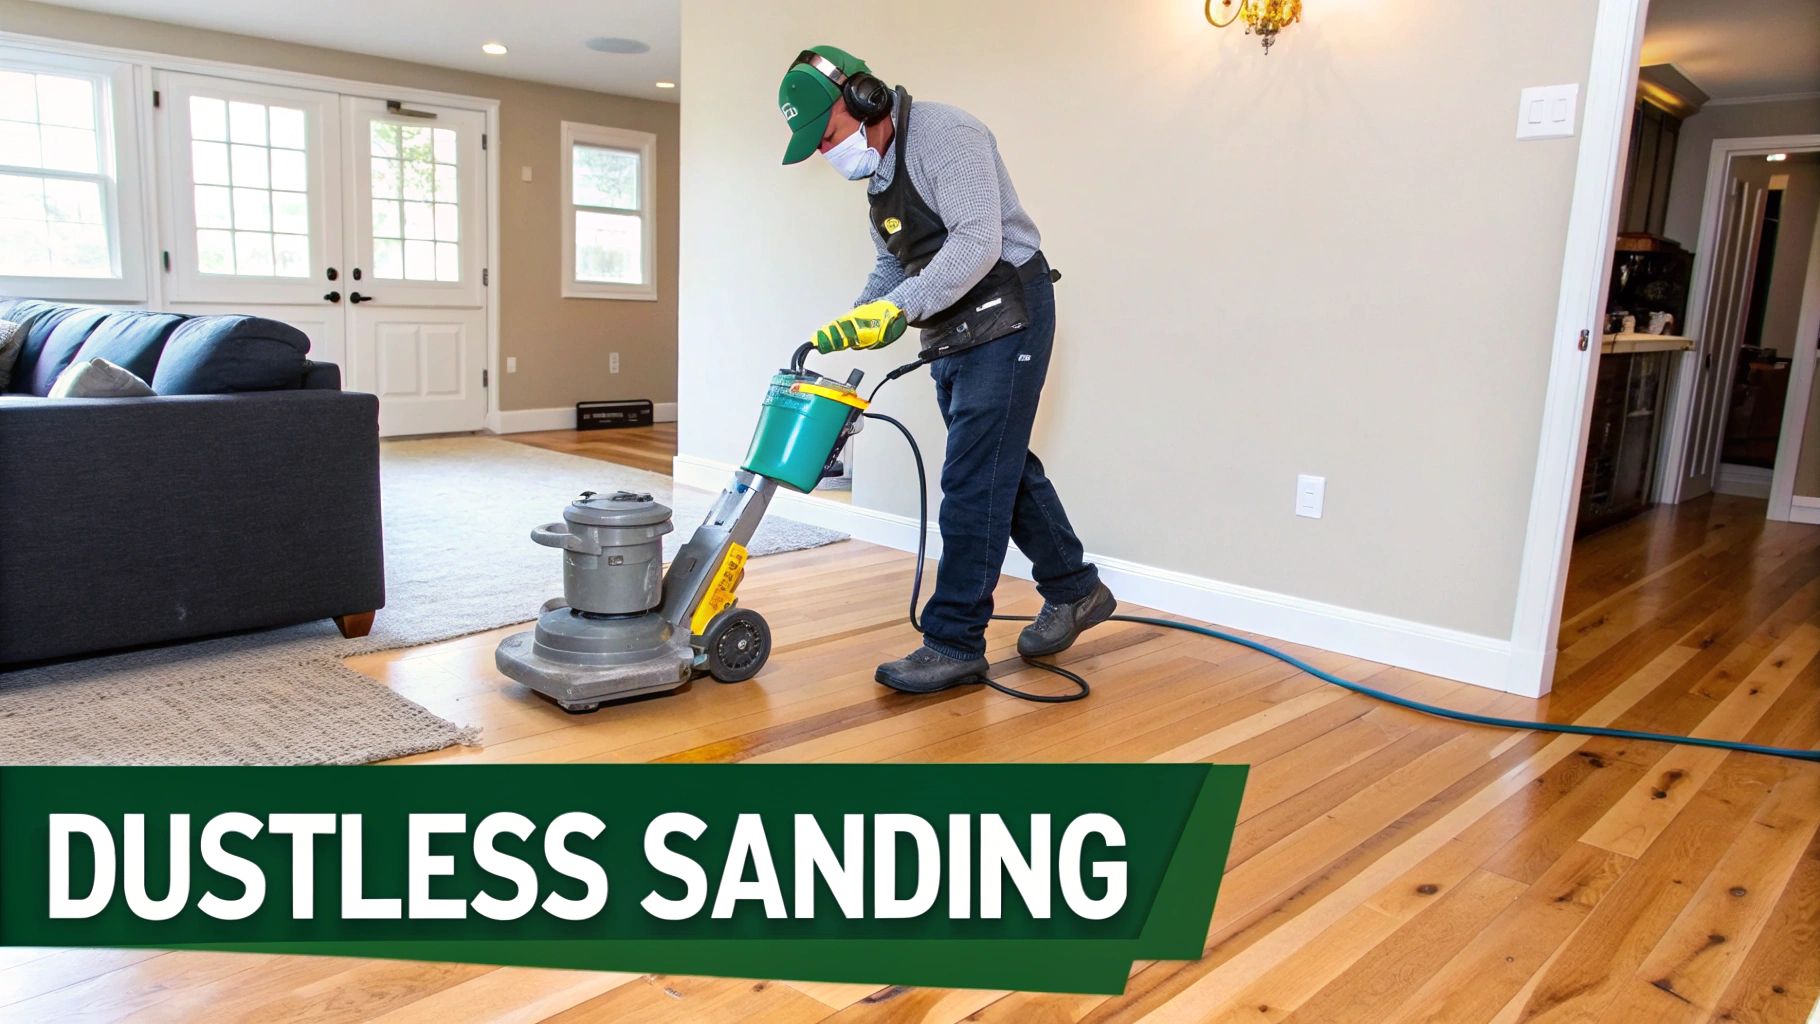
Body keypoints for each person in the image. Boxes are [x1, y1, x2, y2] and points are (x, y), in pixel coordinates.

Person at [777, 45, 1117, 694]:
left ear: (862, 100)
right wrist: (856, 318)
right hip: (953, 323)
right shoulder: (878, 178)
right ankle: (1076, 590)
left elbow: (976, 242)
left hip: (1008, 305)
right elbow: (892, 264)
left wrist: (899, 311)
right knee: (999, 463)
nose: (828, 155)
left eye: (828, 138)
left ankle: (953, 642)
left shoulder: (945, 134)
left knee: (970, 476)